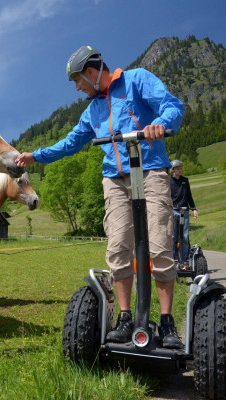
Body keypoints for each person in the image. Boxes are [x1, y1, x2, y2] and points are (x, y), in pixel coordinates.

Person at [15, 46, 184, 349]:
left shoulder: (136, 80)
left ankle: (168, 322)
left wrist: (162, 124)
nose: (78, 88)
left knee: (159, 246)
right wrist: (35, 156)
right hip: (115, 182)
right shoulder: (92, 110)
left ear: (91, 73)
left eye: (78, 81)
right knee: (119, 247)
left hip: (151, 171)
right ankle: (125, 317)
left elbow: (172, 105)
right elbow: (69, 143)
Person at [170, 160, 198, 267]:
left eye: (181, 168)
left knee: (185, 237)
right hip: (173, 211)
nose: (180, 170)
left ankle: (184, 260)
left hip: (184, 211)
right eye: (177, 168)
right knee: (173, 236)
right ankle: (172, 259)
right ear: (172, 170)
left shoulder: (185, 181)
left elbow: (189, 196)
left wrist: (194, 209)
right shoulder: (168, 181)